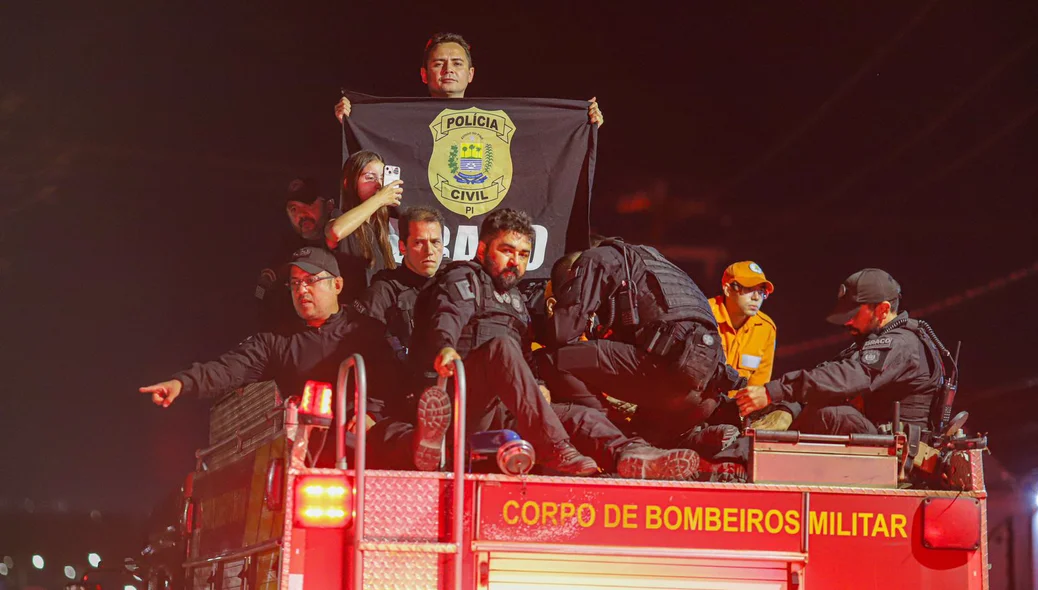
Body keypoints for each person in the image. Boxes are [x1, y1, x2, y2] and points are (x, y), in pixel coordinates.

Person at [409, 209, 699, 479]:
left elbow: (523, 357)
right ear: (482, 250)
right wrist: (445, 346)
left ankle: (631, 455)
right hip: (460, 399)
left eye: (523, 255)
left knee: (579, 415)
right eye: (506, 251)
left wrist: (538, 384)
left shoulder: (516, 301)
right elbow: (447, 315)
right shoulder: (465, 278)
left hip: (501, 412)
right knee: (501, 347)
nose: (515, 262)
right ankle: (554, 449)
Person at [139, 247, 393, 431]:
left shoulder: (364, 330)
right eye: (294, 284)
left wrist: (371, 413)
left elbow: (392, 380)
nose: (301, 290)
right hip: (309, 443)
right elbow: (228, 369)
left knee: (395, 435)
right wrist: (181, 384)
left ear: (337, 285)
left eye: (311, 281)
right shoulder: (276, 340)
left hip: (364, 435)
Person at [545, 239, 746, 448]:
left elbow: (563, 335)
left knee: (553, 359)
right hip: (705, 397)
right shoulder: (655, 264)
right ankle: (697, 440)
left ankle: (612, 433)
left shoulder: (594, 259)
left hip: (665, 380)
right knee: (647, 442)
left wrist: (550, 317)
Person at [734, 269, 948, 435]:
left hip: (899, 460)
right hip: (880, 446)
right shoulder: (874, 340)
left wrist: (774, 391)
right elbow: (826, 377)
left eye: (854, 313)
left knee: (830, 415)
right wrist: (788, 408)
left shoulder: (901, 344)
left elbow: (845, 378)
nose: (848, 321)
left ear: (883, 310)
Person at [334, 32, 604, 126]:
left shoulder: (503, 117)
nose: (448, 69)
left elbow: (544, 144)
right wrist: (352, 118)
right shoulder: (396, 119)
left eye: (457, 63)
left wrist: (582, 124)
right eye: (439, 64)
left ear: (470, 74)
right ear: (424, 74)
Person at [708, 261, 796, 431]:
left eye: (761, 292)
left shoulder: (766, 328)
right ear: (727, 289)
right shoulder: (703, 315)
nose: (756, 297)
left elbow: (757, 390)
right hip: (693, 409)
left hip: (733, 416)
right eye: (749, 289)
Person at [325, 150, 403, 304]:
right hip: (349, 317)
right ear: (349, 183)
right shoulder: (338, 216)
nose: (379, 184)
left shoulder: (381, 226)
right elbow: (335, 232)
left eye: (382, 177)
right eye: (370, 177)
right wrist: (379, 199)